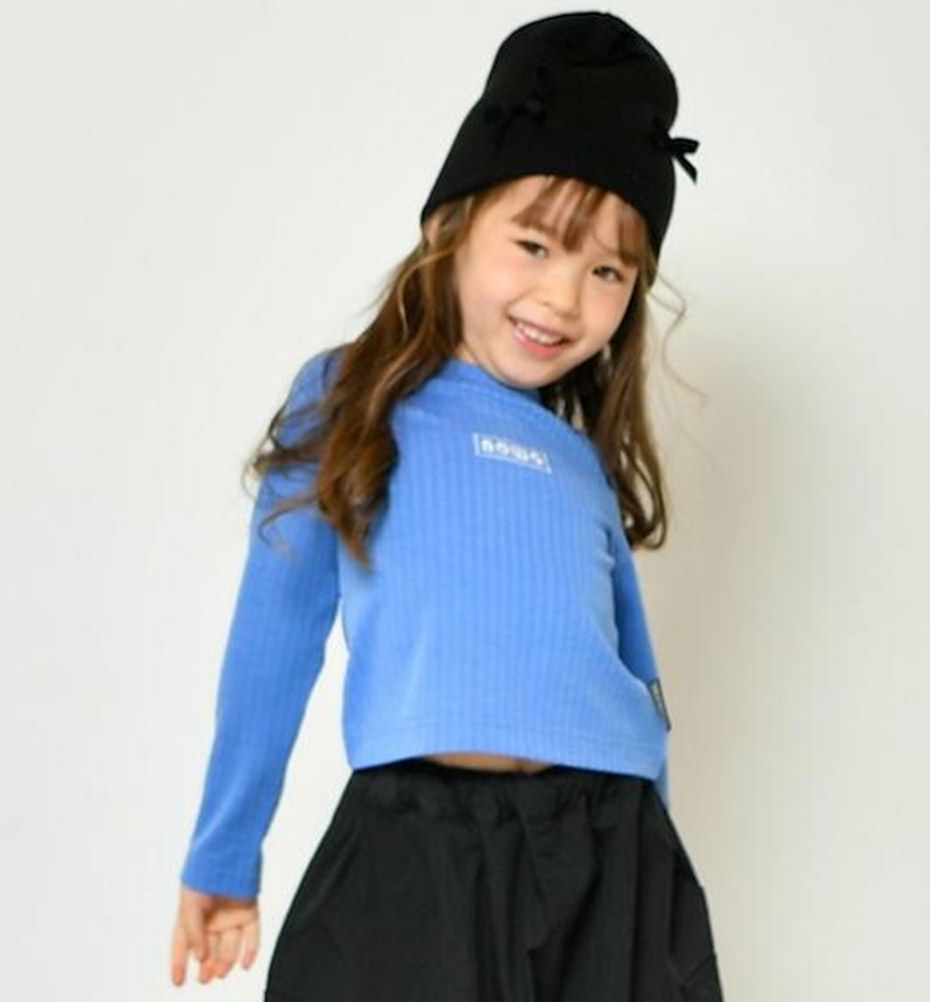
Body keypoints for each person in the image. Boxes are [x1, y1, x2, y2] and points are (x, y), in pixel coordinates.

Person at [169, 11, 723, 1000]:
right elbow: (273, 641)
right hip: (417, 848)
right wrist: (225, 851)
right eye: (536, 244)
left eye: (608, 270)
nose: (564, 297)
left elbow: (636, 673)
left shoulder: (577, 460)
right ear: (450, 227)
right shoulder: (348, 398)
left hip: (611, 850)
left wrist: (655, 890)